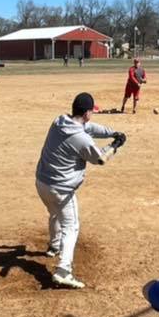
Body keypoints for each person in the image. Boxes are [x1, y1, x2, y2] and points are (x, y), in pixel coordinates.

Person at [35, 92, 126, 289]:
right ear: (86, 113)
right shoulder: (82, 140)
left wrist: (112, 132)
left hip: (42, 183)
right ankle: (63, 271)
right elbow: (100, 159)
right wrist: (115, 144)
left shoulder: (59, 121)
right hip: (61, 189)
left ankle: (54, 246)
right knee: (71, 225)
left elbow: (89, 128)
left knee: (54, 213)